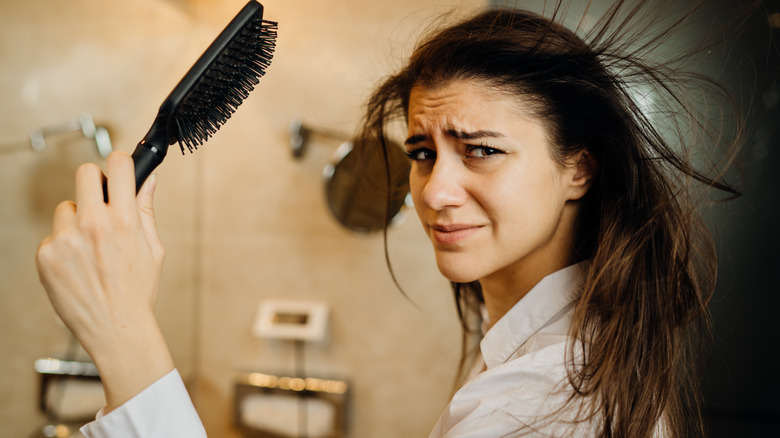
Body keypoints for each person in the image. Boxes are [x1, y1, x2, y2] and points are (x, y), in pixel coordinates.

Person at [36, 1, 745, 436]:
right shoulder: (551, 353)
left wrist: (122, 330)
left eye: (483, 152)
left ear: (578, 169)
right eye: (422, 151)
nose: (435, 191)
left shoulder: (545, 407)